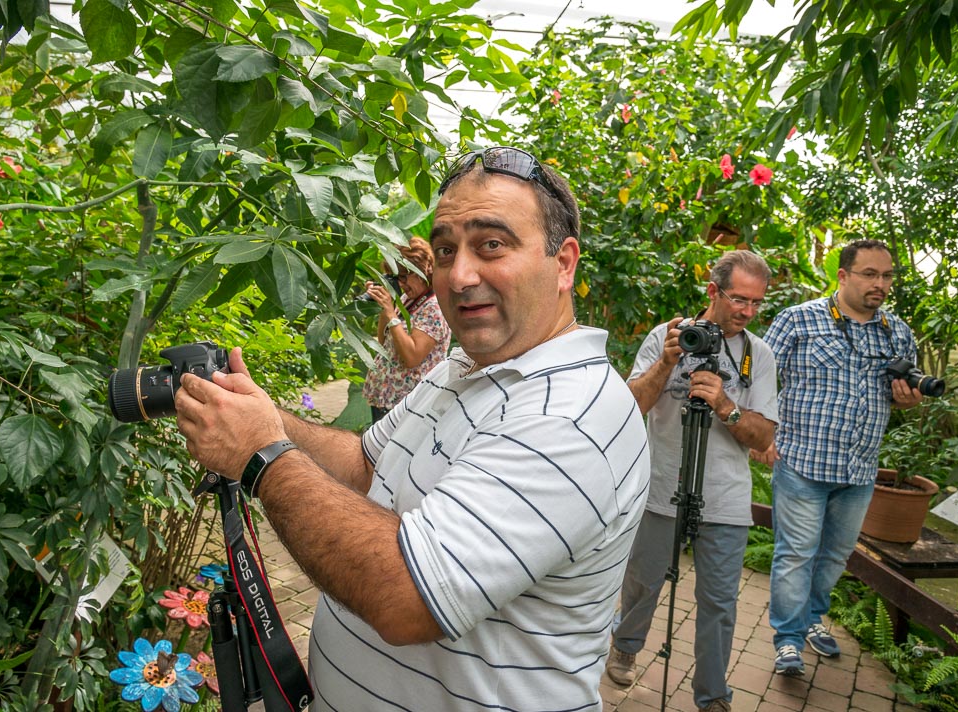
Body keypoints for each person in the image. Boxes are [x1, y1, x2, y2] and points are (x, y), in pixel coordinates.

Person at [174, 146, 651, 710]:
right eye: (446, 250)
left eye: (491, 244)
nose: (459, 273)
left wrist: (260, 455)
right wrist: (264, 417)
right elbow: (366, 464)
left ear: (564, 263)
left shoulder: (570, 415)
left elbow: (407, 598)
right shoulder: (464, 368)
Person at [606, 251, 778, 712]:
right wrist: (666, 364)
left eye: (756, 303)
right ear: (713, 291)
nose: (746, 311)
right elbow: (629, 408)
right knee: (643, 581)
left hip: (724, 497)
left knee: (719, 602)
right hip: (661, 486)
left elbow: (763, 435)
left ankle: (712, 694)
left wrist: (726, 405)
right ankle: (626, 642)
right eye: (738, 298)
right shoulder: (668, 336)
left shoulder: (758, 355)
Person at [757, 239, 921, 676]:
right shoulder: (798, 320)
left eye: (886, 276)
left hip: (860, 468)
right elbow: (760, 380)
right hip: (802, 462)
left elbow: (901, 401)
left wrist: (908, 400)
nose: (881, 284)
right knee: (796, 554)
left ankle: (812, 620)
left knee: (834, 556)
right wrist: (762, 436)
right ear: (843, 275)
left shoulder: (898, 333)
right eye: (870, 274)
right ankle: (788, 642)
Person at [361, 236, 452, 422]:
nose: (401, 284)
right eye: (396, 278)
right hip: (386, 399)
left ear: (421, 271)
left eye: (404, 276)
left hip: (407, 405)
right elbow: (384, 341)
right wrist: (385, 306)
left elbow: (411, 357)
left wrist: (391, 313)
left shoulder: (434, 306)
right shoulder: (407, 300)